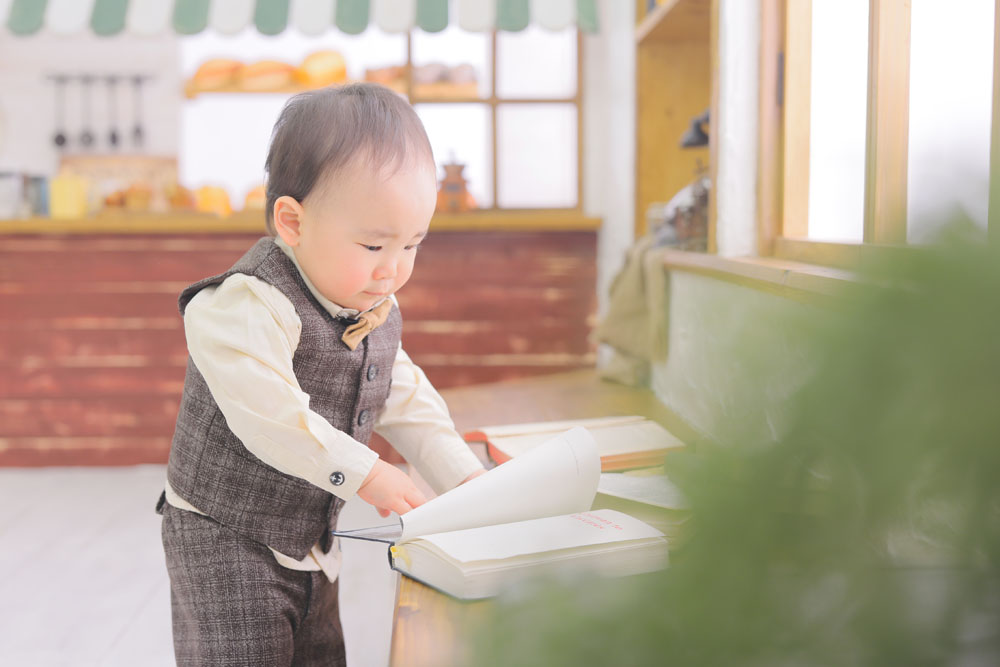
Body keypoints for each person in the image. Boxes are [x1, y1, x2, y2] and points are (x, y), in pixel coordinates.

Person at [155, 83, 486, 666]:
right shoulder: (243, 305)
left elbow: (403, 396)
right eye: (374, 245)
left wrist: (464, 480)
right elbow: (272, 418)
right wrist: (368, 472)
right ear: (293, 221)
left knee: (320, 652)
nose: (392, 270)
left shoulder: (369, 303)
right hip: (226, 537)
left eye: (412, 244)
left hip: (310, 540)